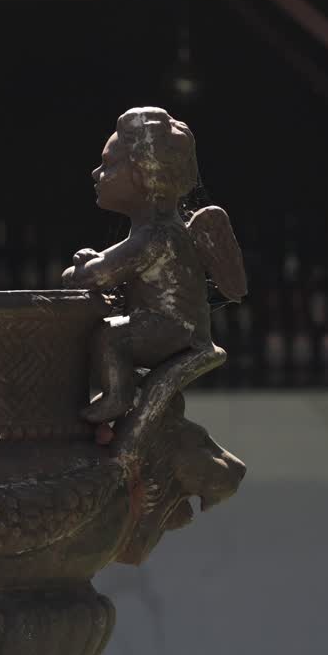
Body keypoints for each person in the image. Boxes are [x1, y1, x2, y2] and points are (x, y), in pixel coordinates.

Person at [63, 107, 244, 424]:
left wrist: (80, 270)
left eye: (107, 165)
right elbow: (113, 260)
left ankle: (118, 396)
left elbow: (97, 275)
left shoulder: (156, 236)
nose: (96, 174)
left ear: (143, 174)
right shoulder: (157, 232)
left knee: (108, 336)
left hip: (169, 330)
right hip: (173, 328)